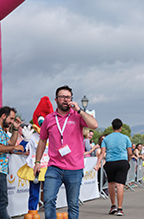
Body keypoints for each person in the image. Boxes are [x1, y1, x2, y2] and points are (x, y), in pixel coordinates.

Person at [33, 85, 98, 219]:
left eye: (68, 97)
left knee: (73, 204)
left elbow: (94, 125)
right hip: (54, 167)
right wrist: (37, 162)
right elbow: (42, 140)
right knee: (49, 199)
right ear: (56, 100)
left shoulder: (77, 116)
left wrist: (79, 110)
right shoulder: (49, 119)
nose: (65, 100)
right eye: (62, 97)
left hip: (74, 168)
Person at [95, 118, 132, 216]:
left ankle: (113, 206)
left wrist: (98, 164)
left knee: (111, 184)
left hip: (110, 162)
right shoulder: (126, 138)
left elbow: (102, 153)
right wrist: (127, 161)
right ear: (121, 128)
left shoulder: (106, 138)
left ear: (112, 127)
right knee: (120, 185)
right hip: (122, 161)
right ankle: (120, 209)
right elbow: (130, 153)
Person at [0, 106, 23, 219]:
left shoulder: (3, 131)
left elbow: (10, 143)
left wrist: (15, 129)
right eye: (11, 119)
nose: (12, 122)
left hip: (2, 170)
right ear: (3, 116)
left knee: (2, 201)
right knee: (2, 201)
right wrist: (15, 147)